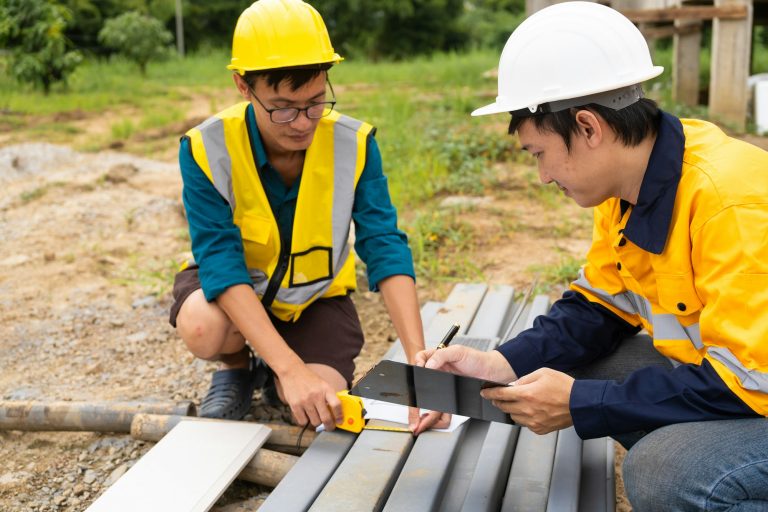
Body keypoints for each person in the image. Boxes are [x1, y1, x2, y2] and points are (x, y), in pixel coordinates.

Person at [417, 2, 768, 510]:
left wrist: (585, 405)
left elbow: (754, 382)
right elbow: (598, 307)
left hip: (757, 388)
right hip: (742, 378)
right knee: (580, 365)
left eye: (539, 154)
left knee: (663, 473)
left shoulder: (727, 203)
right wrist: (499, 364)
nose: (541, 176)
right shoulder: (631, 188)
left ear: (588, 127)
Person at [170, 0, 446, 434]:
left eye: (316, 102)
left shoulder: (352, 143)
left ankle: (275, 374)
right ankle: (237, 366)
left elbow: (384, 244)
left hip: (312, 297)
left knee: (325, 397)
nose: (302, 123)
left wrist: (419, 363)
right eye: (283, 107)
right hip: (233, 293)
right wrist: (292, 369)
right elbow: (220, 259)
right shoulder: (207, 147)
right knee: (204, 328)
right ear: (243, 85)